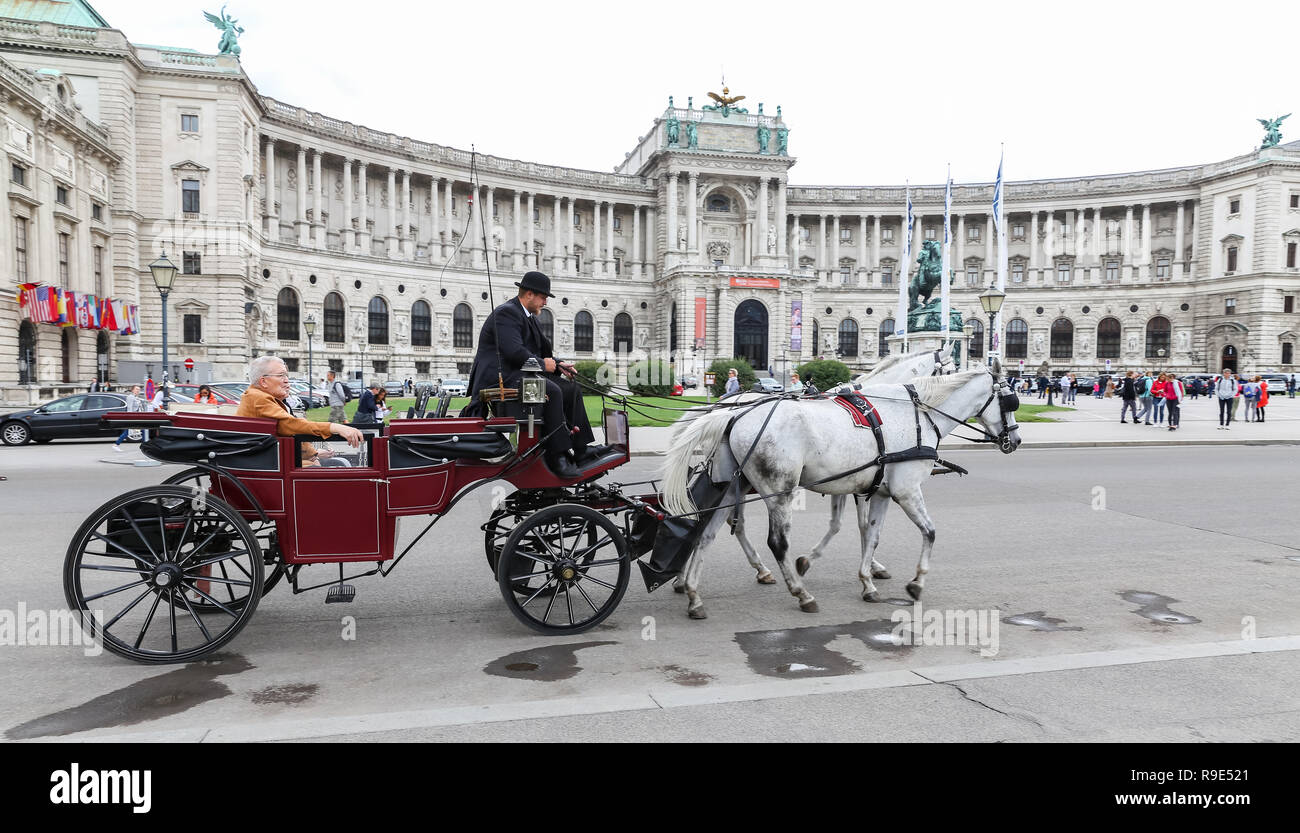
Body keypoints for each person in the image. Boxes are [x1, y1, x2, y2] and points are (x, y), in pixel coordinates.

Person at [462, 271, 606, 479]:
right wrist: (543, 365)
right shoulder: (506, 313)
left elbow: (538, 354)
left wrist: (558, 365)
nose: (545, 301)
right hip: (500, 379)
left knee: (570, 388)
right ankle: (558, 456)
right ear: (529, 294)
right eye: (543, 297)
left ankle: (581, 450)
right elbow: (514, 352)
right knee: (552, 391)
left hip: (519, 375)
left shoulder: (528, 317)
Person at [236, 356, 361, 465]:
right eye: (281, 376)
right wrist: (336, 427)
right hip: (271, 463)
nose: (287, 380)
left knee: (339, 463)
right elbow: (290, 425)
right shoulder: (257, 397)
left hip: (275, 459)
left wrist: (314, 454)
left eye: (286, 375)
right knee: (338, 465)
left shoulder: (260, 396)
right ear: (263, 381)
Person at [112, 384, 146, 451]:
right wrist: (131, 417)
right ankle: (145, 445)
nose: (138, 391)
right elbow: (129, 408)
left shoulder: (136, 397)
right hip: (133, 417)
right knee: (135, 431)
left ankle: (116, 444)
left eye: (139, 389)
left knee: (140, 430)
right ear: (132, 390)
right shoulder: (130, 397)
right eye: (136, 389)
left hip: (137, 417)